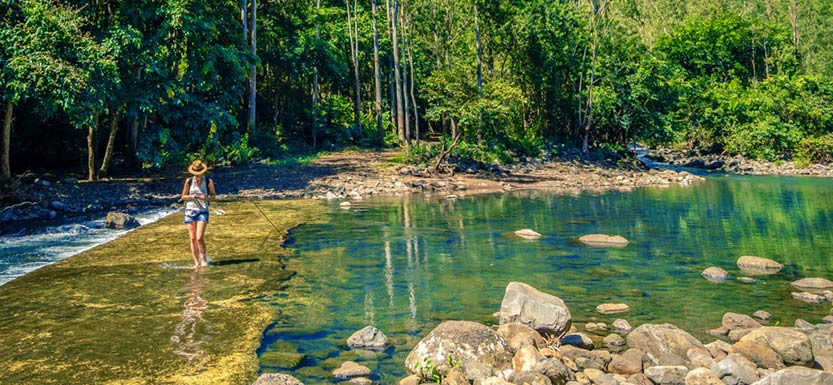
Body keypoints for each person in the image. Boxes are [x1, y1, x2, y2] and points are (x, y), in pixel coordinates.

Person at [181, 160, 216, 268]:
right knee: (193, 238)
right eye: (195, 174)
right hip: (190, 211)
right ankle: (196, 262)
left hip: (203, 211)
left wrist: (205, 197)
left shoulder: (208, 181)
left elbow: (213, 196)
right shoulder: (189, 181)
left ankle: (204, 259)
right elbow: (183, 196)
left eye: (199, 174)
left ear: (202, 172)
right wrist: (191, 197)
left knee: (199, 237)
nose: (197, 176)